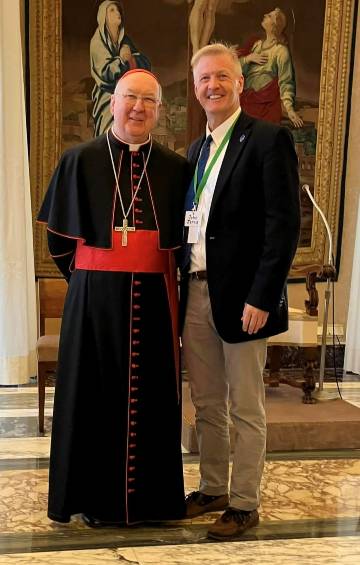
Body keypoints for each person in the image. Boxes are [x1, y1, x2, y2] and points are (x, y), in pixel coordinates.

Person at [38, 69, 191, 526]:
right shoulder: (79, 159)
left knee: (154, 398)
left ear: (159, 111)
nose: (138, 108)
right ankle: (93, 499)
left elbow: (186, 243)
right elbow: (60, 243)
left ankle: (155, 502)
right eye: (130, 98)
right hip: (94, 301)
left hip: (155, 297)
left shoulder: (176, 168)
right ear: (112, 102)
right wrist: (93, 282)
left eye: (149, 100)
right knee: (93, 394)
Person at [181, 43, 300, 540]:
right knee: (207, 403)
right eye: (205, 78)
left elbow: (284, 226)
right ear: (196, 87)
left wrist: (262, 296)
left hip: (244, 300)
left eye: (222, 77)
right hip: (196, 295)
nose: (213, 85)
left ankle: (245, 501)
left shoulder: (268, 140)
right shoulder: (196, 149)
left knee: (245, 406)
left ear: (240, 83)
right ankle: (213, 488)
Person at [90, 1, 151, 136]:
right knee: (107, 136)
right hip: (107, 98)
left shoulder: (125, 40)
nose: (117, 13)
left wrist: (131, 58)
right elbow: (104, 72)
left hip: (127, 97)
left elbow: (144, 64)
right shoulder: (98, 41)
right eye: (112, 10)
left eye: (118, 10)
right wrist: (121, 60)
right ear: (103, 16)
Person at [239, 8, 303, 127]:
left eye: (269, 16)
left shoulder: (280, 51)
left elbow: (286, 82)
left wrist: (289, 110)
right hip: (246, 103)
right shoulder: (256, 45)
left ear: (274, 25)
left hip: (265, 106)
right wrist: (248, 59)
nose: (265, 15)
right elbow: (237, 71)